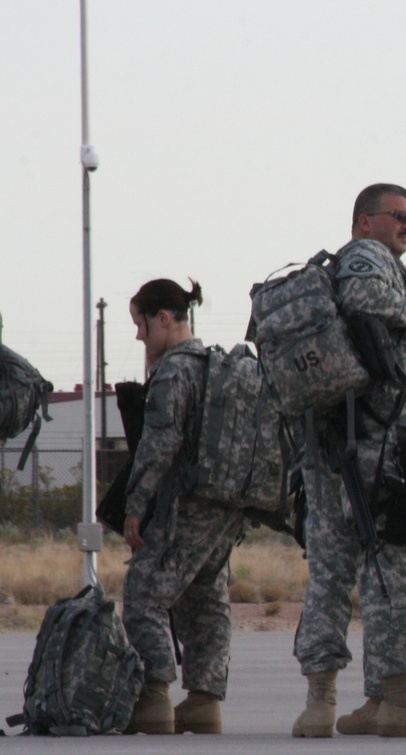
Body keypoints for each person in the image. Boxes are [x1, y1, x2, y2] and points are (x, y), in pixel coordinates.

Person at [292, 183, 406, 738]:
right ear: (363, 222)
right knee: (392, 565)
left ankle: (320, 705)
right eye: (399, 216)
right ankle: (398, 697)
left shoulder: (338, 269)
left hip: (335, 443)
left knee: (328, 573)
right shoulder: (368, 259)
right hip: (379, 442)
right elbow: (371, 303)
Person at [122, 278, 245, 735]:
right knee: (207, 597)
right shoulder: (216, 366)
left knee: (143, 593)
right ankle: (204, 701)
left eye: (140, 324)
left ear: (164, 318)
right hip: (228, 505)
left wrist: (136, 506)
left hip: (187, 503)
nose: (139, 336)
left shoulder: (175, 372)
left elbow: (160, 444)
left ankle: (154, 696)